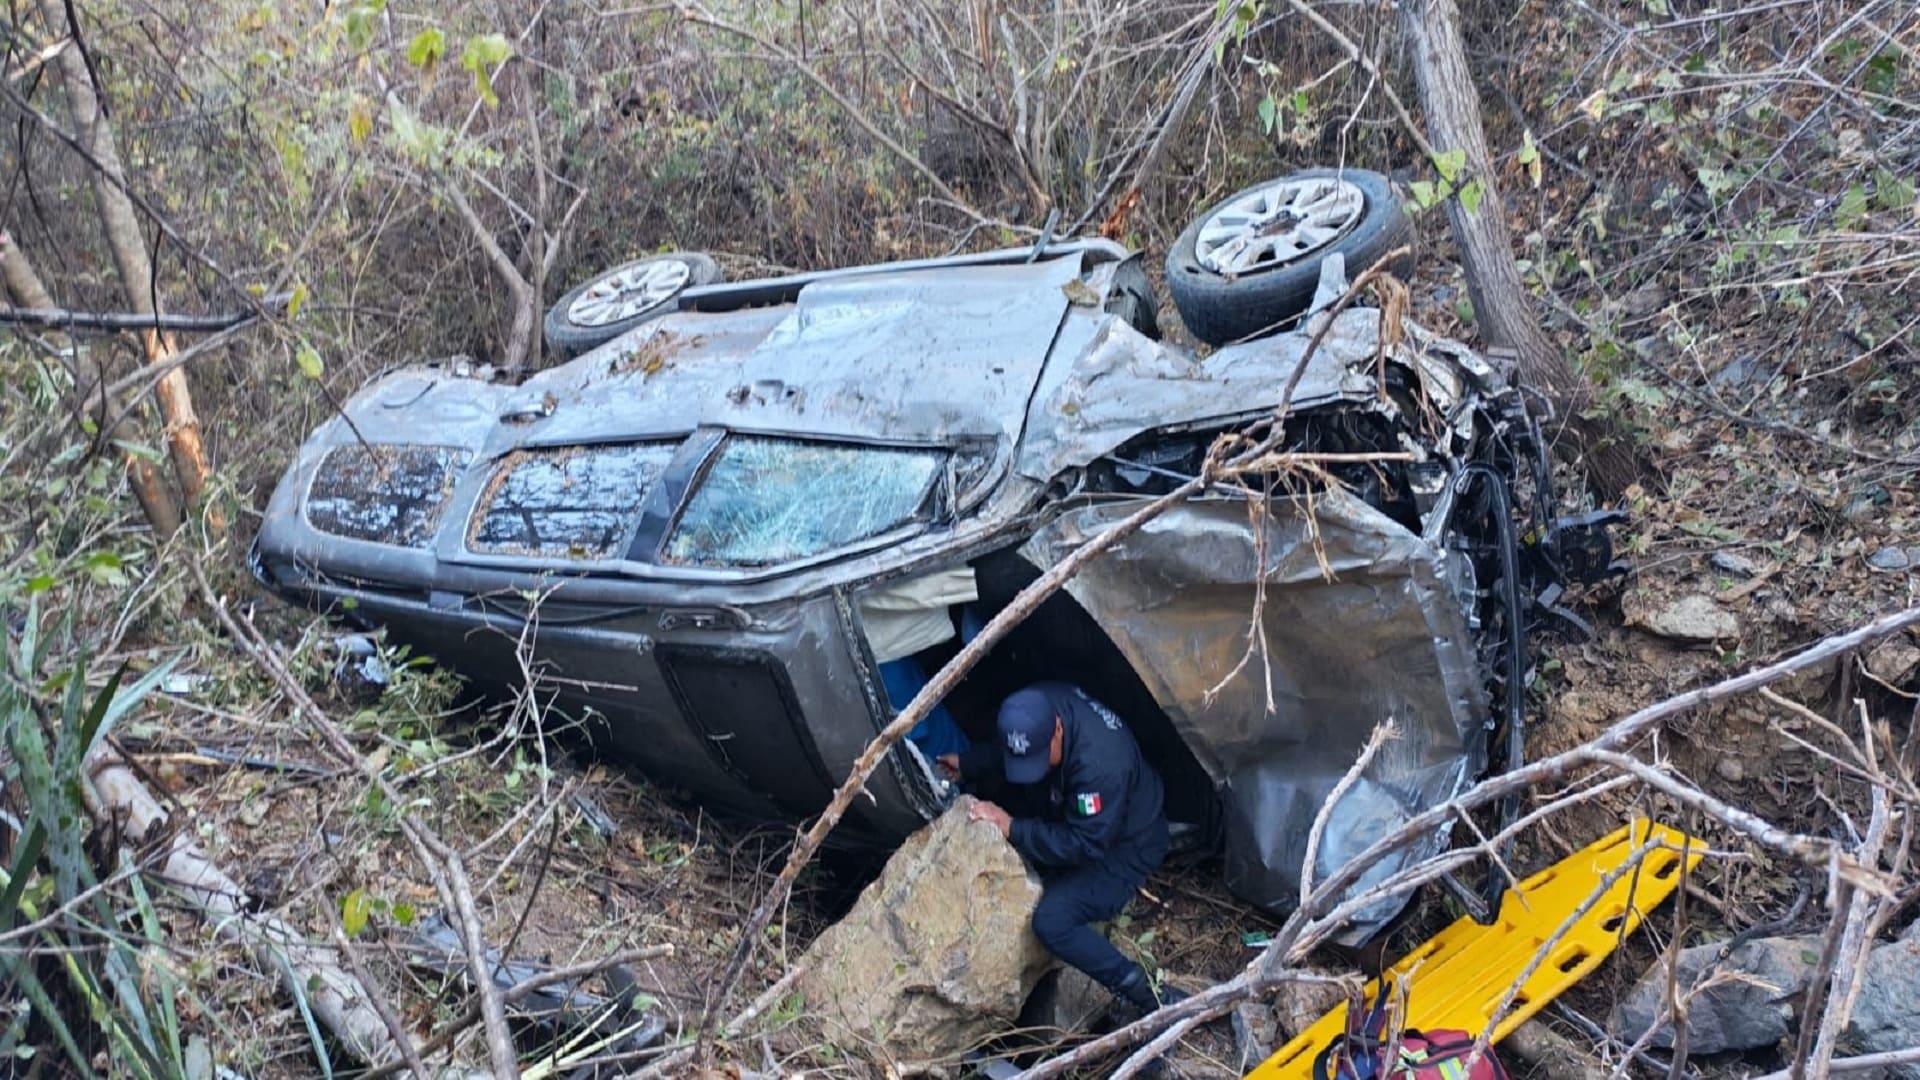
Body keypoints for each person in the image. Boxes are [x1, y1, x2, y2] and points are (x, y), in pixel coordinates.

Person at [939, 681, 1180, 1016]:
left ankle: (1150, 995)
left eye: (1041, 757)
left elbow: (1085, 843)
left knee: (1053, 920)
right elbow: (1012, 748)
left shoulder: (1101, 765)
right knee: (1011, 800)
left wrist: (1012, 827)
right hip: (1079, 810)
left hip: (1124, 844)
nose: (1032, 764)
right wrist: (967, 762)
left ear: (1057, 729)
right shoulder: (1035, 707)